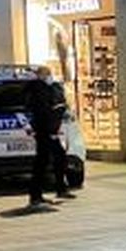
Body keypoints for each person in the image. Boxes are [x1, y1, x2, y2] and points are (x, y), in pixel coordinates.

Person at [27, 66, 73, 206]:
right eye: (48, 74)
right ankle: (36, 195)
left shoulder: (43, 88)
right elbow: (44, 111)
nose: (50, 77)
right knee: (42, 162)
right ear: (41, 75)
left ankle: (58, 188)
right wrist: (50, 130)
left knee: (57, 157)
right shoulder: (38, 89)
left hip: (47, 130)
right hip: (45, 131)